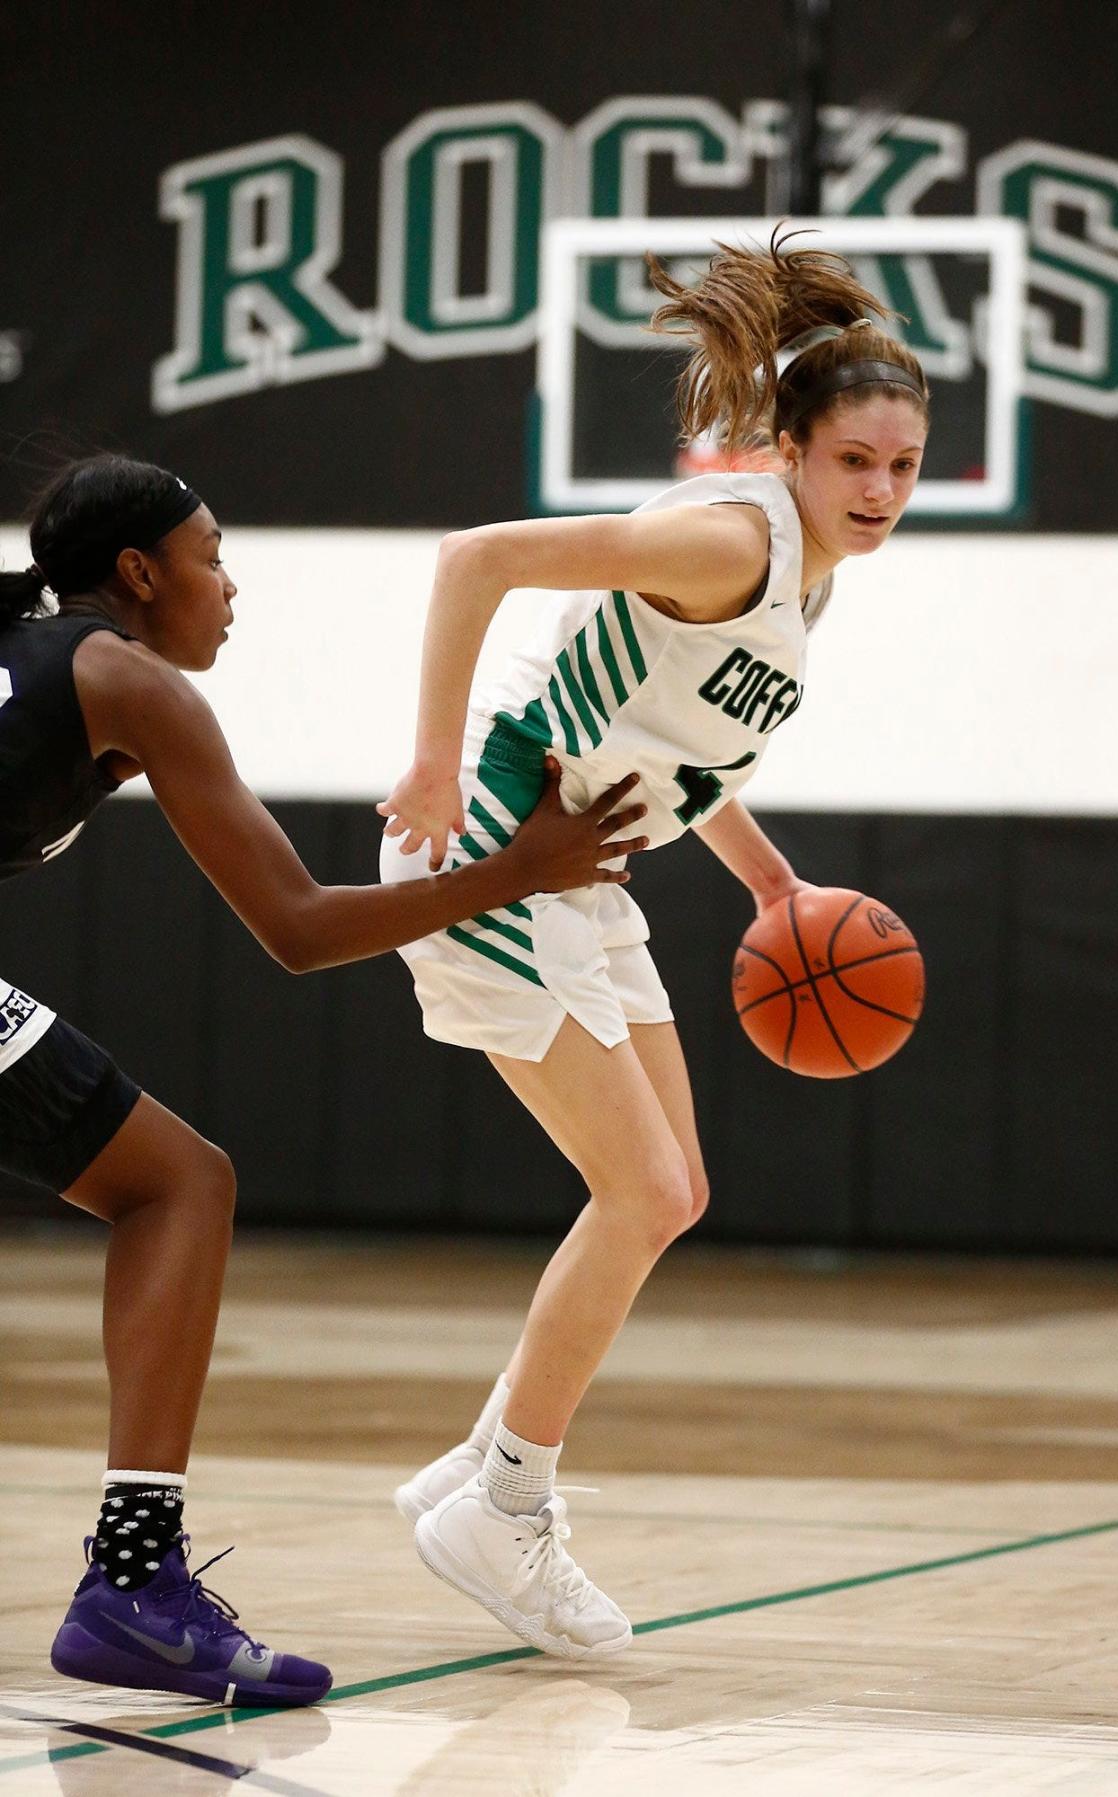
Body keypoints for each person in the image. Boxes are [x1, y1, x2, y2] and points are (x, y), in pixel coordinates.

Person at [0, 453, 647, 1707]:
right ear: (138, 576)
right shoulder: (124, 676)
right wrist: (523, 868)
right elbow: (297, 927)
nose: (232, 588)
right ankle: (134, 1582)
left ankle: (134, 1581)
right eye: (212, 555)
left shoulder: (52, 664)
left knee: (172, 1182)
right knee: (179, 1188)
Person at [377, 232, 930, 1658]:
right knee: (637, 1190)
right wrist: (433, 768)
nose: (877, 492)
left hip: (587, 868)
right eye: (854, 462)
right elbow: (474, 557)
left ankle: (486, 1463)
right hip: (494, 850)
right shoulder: (729, 539)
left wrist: (760, 878)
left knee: (670, 1193)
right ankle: (506, 1503)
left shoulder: (808, 574)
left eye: (900, 468)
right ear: (794, 454)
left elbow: (683, 741)